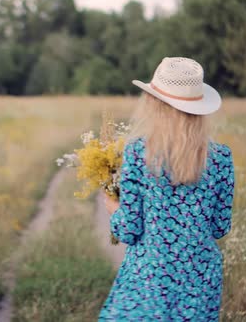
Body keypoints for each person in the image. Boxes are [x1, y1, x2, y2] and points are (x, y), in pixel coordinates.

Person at [98, 57, 234, 321]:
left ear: (155, 104)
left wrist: (115, 209)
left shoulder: (139, 153)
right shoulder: (221, 158)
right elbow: (219, 227)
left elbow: (129, 229)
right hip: (201, 279)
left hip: (151, 276)